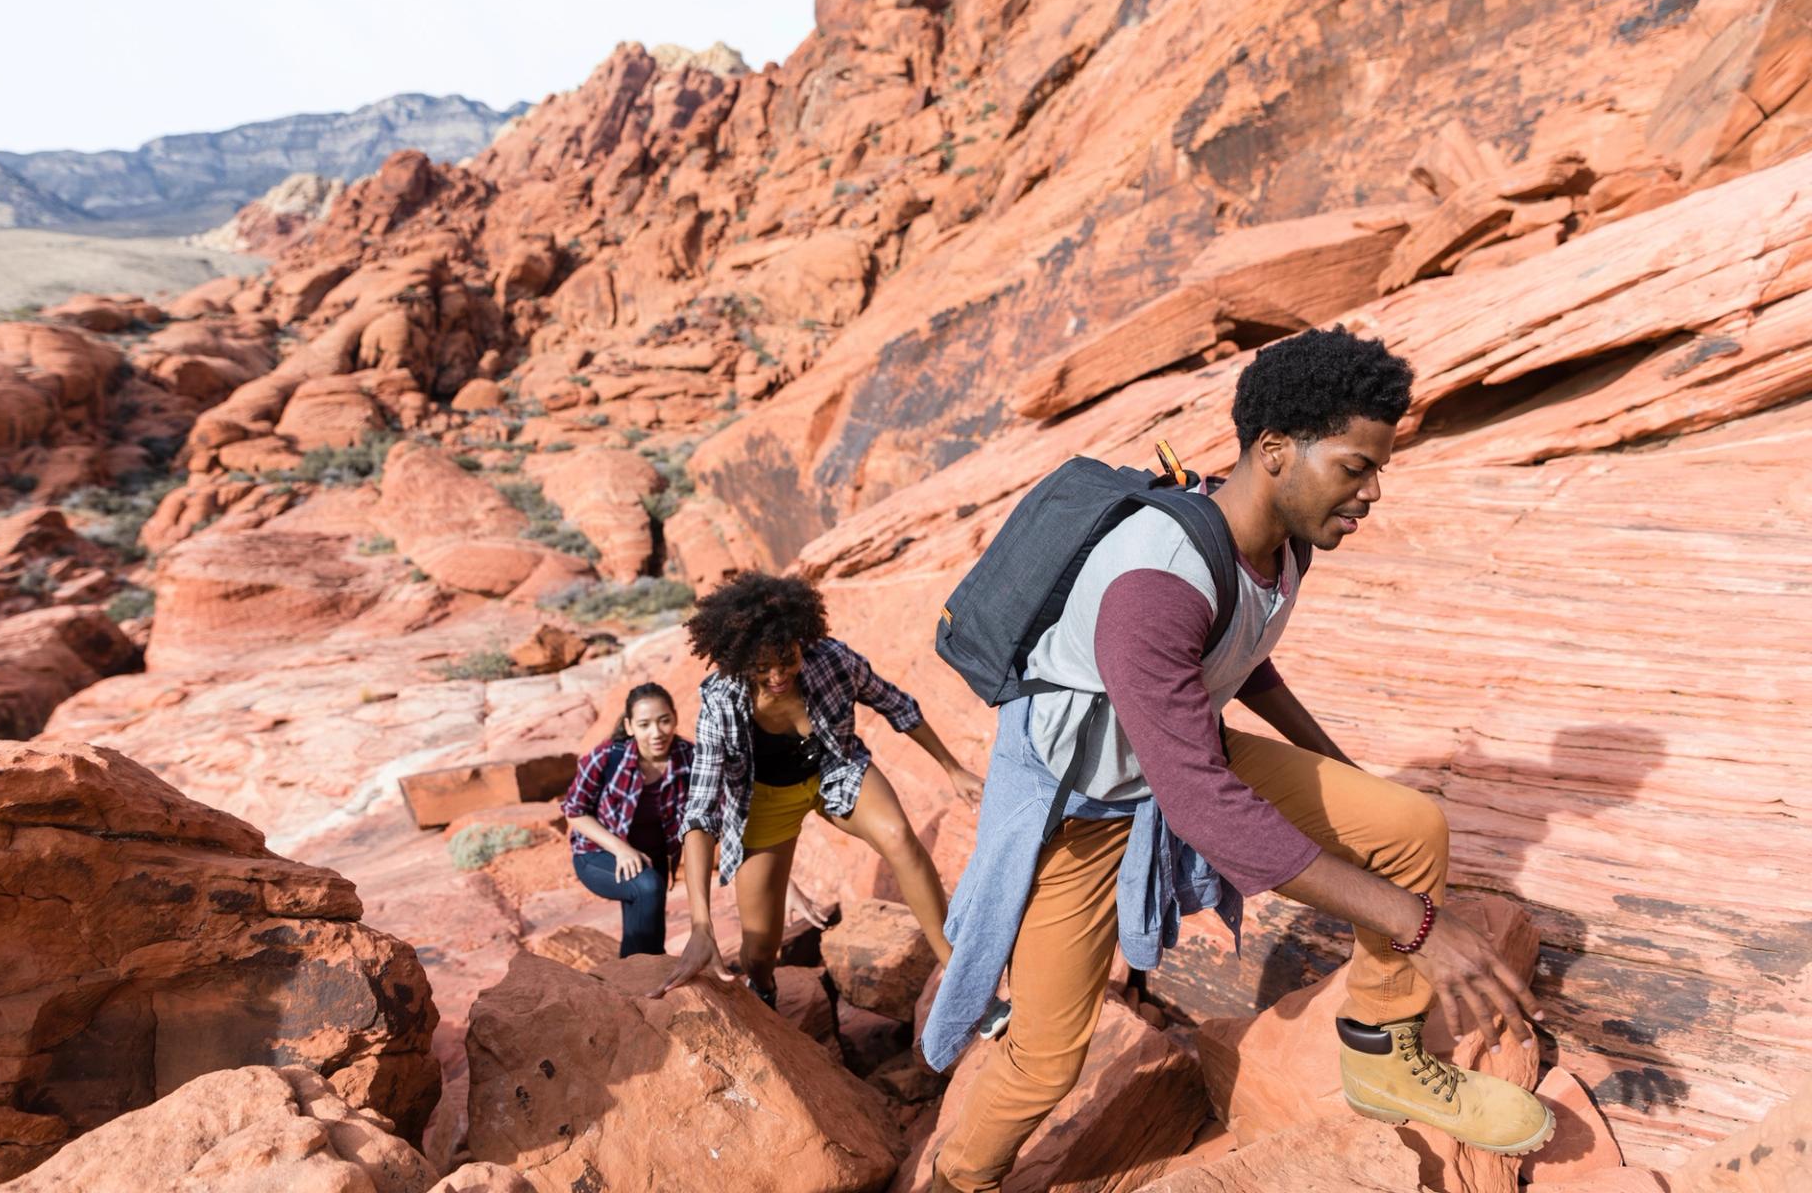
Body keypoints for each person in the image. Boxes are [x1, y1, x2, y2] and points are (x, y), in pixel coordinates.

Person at [925, 327, 1554, 1192]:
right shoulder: (1153, 583)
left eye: (1378, 469)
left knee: (1405, 825)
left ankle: (1381, 1054)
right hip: (1078, 809)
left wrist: (1340, 771)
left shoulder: (1286, 535)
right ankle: (961, 1177)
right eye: (1355, 467)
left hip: (1173, 762)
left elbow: (1245, 652)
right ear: (1274, 452)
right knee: (1046, 1057)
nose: (1372, 494)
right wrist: (1419, 926)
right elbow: (1205, 808)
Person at [651, 571, 989, 1010]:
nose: (777, 676)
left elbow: (896, 705)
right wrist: (701, 924)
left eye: (786, 659)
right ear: (739, 660)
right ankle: (765, 989)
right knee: (758, 952)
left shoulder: (830, 659)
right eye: (762, 666)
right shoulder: (721, 699)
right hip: (763, 803)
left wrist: (953, 768)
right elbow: (700, 809)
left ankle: (959, 976)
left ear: (801, 641)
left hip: (836, 772)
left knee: (899, 838)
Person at [561, 682, 692, 957]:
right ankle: (645, 978)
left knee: (647, 926)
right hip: (599, 853)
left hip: (654, 858)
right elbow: (574, 811)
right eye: (644, 724)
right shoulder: (607, 757)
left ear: (675, 718)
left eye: (664, 721)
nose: (656, 733)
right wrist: (621, 849)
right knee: (648, 888)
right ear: (630, 726)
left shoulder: (689, 758)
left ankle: (634, 980)